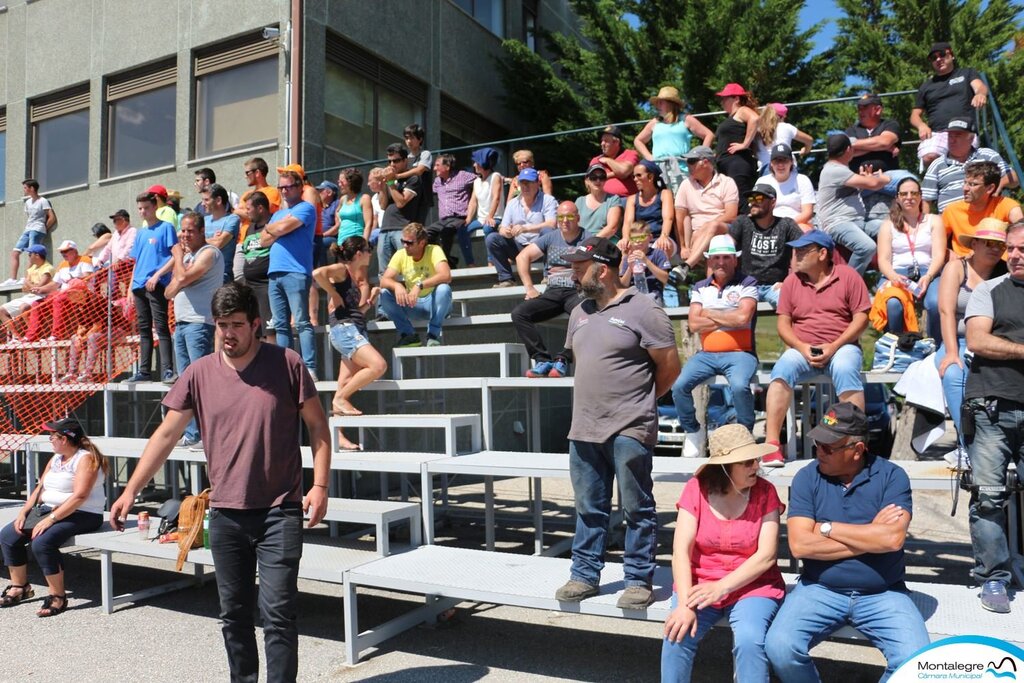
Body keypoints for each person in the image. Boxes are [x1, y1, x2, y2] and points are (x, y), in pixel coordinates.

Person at [110, 282, 330, 683]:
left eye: (236, 325)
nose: (227, 334)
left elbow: (318, 427)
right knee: (234, 616)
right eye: (221, 325)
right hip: (226, 513)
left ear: (256, 325)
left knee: (279, 613)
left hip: (280, 510)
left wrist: (320, 486)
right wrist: (130, 490)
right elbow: (164, 436)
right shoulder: (198, 373)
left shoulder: (287, 363)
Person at [554, 236, 680, 609]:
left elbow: (670, 366)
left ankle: (639, 578)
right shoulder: (578, 312)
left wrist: (641, 402)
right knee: (588, 506)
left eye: (580, 267)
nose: (574, 274)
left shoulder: (645, 308)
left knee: (636, 507)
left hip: (630, 426)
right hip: (584, 428)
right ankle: (584, 575)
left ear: (603, 270)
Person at [765, 401, 930, 680]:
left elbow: (892, 539)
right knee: (780, 647)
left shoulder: (892, 477)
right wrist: (870, 534)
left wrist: (826, 527)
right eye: (818, 443)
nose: (819, 451)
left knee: (915, 662)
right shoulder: (807, 477)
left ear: (857, 450)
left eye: (828, 447)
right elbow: (800, 546)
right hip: (819, 588)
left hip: (883, 593)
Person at [661, 424, 784, 683]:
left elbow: (767, 556)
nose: (756, 466)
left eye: (757, 459)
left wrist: (722, 588)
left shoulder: (765, 492)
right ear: (725, 466)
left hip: (754, 585)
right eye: (748, 461)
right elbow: (681, 551)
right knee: (677, 634)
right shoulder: (696, 489)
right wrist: (684, 604)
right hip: (700, 583)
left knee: (750, 642)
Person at [763, 230, 871, 466]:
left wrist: (835, 345)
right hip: (804, 348)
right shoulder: (792, 281)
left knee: (844, 366)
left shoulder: (849, 276)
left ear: (823, 253)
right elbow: (783, 323)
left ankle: (854, 444)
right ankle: (771, 444)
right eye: (796, 250)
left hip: (842, 345)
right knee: (782, 368)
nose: (797, 255)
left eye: (803, 250)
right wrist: (801, 346)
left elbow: (861, 318)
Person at [962, 220, 1024, 613]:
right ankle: (993, 578)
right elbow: (978, 340)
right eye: (1011, 249)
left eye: (1022, 250)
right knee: (987, 496)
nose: (1014, 255)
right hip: (992, 405)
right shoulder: (989, 290)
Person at [1, 418, 107, 617]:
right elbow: (41, 487)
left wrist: (52, 519)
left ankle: (58, 596)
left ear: (65, 439)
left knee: (42, 543)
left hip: (84, 513)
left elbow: (80, 496)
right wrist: (25, 511)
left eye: (53, 436)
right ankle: (20, 586)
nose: (49, 439)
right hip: (50, 510)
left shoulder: (85, 459)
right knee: (8, 536)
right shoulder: (56, 457)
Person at [670, 235, 758, 457]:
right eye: (716, 257)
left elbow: (743, 319)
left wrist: (708, 312)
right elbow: (693, 323)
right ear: (709, 260)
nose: (721, 262)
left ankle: (746, 432)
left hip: (740, 353)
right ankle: (693, 431)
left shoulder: (748, 282)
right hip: (706, 354)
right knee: (679, 386)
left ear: (735, 259)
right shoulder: (700, 286)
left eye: (726, 257)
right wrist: (727, 314)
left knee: (739, 387)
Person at [935, 219, 1008, 461]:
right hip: (957, 339)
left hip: (991, 343)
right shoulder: (957, 268)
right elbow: (945, 312)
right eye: (988, 242)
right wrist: (952, 352)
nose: (994, 248)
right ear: (974, 244)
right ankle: (969, 445)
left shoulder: (1007, 273)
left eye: (1000, 244)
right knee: (954, 374)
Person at [312, 236, 386, 436]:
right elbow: (317, 273)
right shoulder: (342, 269)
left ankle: (338, 435)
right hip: (345, 330)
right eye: (368, 250)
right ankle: (341, 398)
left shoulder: (353, 277)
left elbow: (356, 312)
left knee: (343, 382)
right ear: (359, 253)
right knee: (378, 366)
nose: (371, 254)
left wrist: (371, 301)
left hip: (352, 327)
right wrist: (332, 293)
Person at [165, 211, 224, 449]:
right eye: (183, 230)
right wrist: (180, 276)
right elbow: (168, 292)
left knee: (201, 382)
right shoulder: (189, 258)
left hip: (200, 324)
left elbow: (183, 277)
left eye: (190, 230)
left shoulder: (209, 253)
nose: (185, 235)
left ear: (202, 231)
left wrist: (178, 258)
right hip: (181, 324)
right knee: (186, 383)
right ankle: (192, 433)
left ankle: (207, 435)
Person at [512, 201, 587, 379]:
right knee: (519, 313)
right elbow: (523, 256)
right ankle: (542, 360)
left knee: (585, 315)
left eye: (569, 216)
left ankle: (564, 358)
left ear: (577, 217)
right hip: (553, 291)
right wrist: (529, 287)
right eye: (561, 217)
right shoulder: (550, 237)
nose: (565, 221)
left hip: (577, 291)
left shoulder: (588, 238)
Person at [260, 169, 317, 378]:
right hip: (274, 272)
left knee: (301, 322)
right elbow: (264, 240)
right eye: (280, 187)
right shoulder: (277, 214)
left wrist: (273, 228)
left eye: (288, 187)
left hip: (296, 271)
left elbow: (282, 228)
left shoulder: (306, 208)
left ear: (300, 188)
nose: (283, 191)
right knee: (281, 324)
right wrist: (276, 227)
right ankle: (284, 369)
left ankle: (309, 367)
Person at [875, 177, 946, 340]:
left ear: (920, 196)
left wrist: (928, 276)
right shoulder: (887, 225)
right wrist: (894, 277)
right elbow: (883, 260)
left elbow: (939, 255)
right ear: (897, 198)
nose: (909, 197)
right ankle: (896, 346)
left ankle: (936, 345)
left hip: (930, 272)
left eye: (914, 193)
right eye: (904, 194)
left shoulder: (934, 221)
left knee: (935, 303)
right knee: (893, 303)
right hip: (897, 273)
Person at [816, 133, 890, 275]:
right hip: (838, 223)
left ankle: (886, 276)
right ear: (848, 150)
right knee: (867, 247)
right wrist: (884, 178)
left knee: (891, 229)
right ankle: (847, 283)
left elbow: (862, 185)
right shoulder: (834, 170)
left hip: (857, 222)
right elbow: (874, 184)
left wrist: (864, 180)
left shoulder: (840, 170)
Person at [125, 191, 177, 383]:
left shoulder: (166, 228)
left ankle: (168, 371)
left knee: (161, 326)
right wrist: (131, 287)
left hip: (156, 284)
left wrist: (157, 275)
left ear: (155, 207)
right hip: (139, 285)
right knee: (144, 329)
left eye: (146, 208)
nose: (143, 212)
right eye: (139, 209)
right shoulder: (140, 233)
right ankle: (144, 371)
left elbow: (174, 257)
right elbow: (136, 262)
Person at [912, 41, 988, 168]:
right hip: (937, 132)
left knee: (966, 165)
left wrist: (980, 94)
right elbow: (915, 114)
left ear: (951, 55)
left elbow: (980, 87)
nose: (938, 59)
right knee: (929, 157)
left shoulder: (967, 73)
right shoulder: (926, 86)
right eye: (933, 58)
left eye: (942, 54)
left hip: (964, 130)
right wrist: (921, 125)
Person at [728, 183, 803, 309]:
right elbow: (727, 249)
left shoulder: (786, 224)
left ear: (773, 202)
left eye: (759, 198)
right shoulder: (742, 222)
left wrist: (791, 281)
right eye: (751, 198)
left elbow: (804, 249)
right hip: (746, 285)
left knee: (794, 306)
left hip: (775, 287)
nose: (753, 202)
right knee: (735, 309)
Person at [378, 223, 453, 348]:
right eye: (403, 241)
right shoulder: (400, 254)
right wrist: (397, 286)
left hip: (434, 303)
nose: (405, 245)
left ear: (422, 243)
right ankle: (409, 336)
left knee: (444, 289)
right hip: (413, 304)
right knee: (384, 293)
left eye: (410, 243)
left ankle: (433, 336)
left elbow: (446, 275)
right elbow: (384, 280)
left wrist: (419, 285)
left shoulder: (434, 250)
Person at [671, 146, 739, 283]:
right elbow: (680, 217)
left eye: (691, 161)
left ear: (706, 162)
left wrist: (707, 226)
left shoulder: (727, 182)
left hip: (725, 230)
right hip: (699, 236)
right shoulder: (686, 185)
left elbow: (731, 215)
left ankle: (687, 265)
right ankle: (711, 292)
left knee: (713, 227)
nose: (687, 165)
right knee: (713, 251)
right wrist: (684, 247)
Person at [633, 85, 714, 194]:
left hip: (681, 170)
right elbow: (638, 140)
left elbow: (708, 135)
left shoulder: (685, 119)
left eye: (661, 102)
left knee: (682, 204)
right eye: (658, 102)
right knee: (662, 203)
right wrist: (649, 157)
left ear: (671, 104)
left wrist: (699, 157)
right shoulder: (655, 122)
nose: (658, 105)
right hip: (658, 171)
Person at [922, 118, 1014, 213]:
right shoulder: (938, 164)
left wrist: (999, 185)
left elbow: (1014, 178)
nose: (952, 140)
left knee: (1014, 209)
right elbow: (926, 200)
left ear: (971, 138)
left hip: (987, 216)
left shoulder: (987, 155)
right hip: (951, 222)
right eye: (950, 136)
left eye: (957, 136)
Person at [486, 167, 557, 288]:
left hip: (540, 247)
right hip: (519, 247)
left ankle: (548, 275)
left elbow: (552, 224)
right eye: (522, 183)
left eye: (529, 183)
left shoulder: (548, 200)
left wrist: (525, 228)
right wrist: (507, 232)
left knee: (548, 232)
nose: (525, 186)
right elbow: (503, 228)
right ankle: (506, 279)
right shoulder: (512, 203)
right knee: (492, 238)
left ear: (537, 183)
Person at [941, 161, 1023, 259]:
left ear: (990, 188)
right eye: (965, 182)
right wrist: (953, 256)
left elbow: (1021, 229)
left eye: (973, 184)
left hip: (1000, 264)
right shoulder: (952, 210)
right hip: (964, 265)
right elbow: (935, 243)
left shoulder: (1005, 205)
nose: (965, 188)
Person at [378, 143, 425, 275]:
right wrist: (383, 184)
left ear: (405, 160)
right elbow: (382, 205)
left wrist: (391, 183)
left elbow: (401, 202)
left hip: (402, 229)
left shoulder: (413, 178)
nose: (392, 164)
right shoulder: (390, 180)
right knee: (384, 272)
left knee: (407, 268)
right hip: (385, 229)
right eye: (389, 161)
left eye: (396, 160)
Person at [713, 83, 760, 210]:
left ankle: (752, 227)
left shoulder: (742, 110)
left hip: (737, 164)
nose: (722, 102)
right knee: (733, 201)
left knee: (743, 200)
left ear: (736, 99)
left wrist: (745, 144)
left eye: (724, 98)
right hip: (727, 165)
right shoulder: (732, 117)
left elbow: (755, 119)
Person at [460, 147, 505, 267]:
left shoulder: (496, 176)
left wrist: (490, 216)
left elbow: (496, 198)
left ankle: (491, 261)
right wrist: (469, 218)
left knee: (487, 228)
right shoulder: (476, 181)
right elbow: (473, 201)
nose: (474, 165)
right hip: (480, 219)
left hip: (495, 217)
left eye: (476, 162)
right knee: (462, 229)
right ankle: (470, 263)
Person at [239, 192, 275, 340]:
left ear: (260, 208)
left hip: (266, 286)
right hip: (250, 287)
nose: (246, 212)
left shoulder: (273, 224)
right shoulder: (250, 227)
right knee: (255, 333)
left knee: (271, 333)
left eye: (249, 208)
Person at [429, 153, 477, 264]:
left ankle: (446, 263)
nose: (434, 168)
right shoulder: (437, 182)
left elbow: (482, 179)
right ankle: (448, 260)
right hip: (443, 220)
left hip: (459, 218)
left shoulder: (462, 176)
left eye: (437, 165)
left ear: (447, 166)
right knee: (426, 234)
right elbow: (428, 192)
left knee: (446, 232)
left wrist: (505, 180)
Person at [6, 179, 55, 285]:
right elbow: (30, 217)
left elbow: (51, 217)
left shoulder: (43, 201)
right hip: (28, 229)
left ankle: (26, 278)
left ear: (32, 188)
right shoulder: (28, 202)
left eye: (25, 187)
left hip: (37, 229)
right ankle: (12, 279)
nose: (24, 190)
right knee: (15, 252)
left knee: (32, 254)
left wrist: (43, 228)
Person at [623, 160, 676, 257]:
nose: (635, 179)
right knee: (624, 250)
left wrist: (664, 236)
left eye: (638, 175)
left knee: (661, 249)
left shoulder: (665, 194)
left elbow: (668, 218)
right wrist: (626, 238)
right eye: (633, 176)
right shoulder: (632, 199)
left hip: (660, 237)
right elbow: (628, 222)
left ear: (651, 177)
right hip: (639, 238)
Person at [760, 143, 815, 230]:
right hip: (769, 226)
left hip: (797, 224)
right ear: (771, 163)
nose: (780, 164)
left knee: (806, 230)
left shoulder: (803, 180)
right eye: (777, 160)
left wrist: (786, 226)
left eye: (784, 160)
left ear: (791, 162)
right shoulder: (762, 182)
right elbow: (757, 209)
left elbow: (808, 212)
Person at [0, 244, 52, 336]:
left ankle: (33, 335)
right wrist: (30, 285)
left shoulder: (48, 268)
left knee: (23, 307)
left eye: (29, 254)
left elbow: (38, 288)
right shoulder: (32, 268)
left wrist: (28, 283)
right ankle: (16, 337)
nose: (28, 256)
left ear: (37, 255)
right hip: (29, 296)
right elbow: (25, 287)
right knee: (1, 310)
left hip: (42, 297)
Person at [617, 222, 670, 305]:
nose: (638, 241)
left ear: (650, 237)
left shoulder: (657, 253)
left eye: (641, 237)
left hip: (653, 295)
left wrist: (646, 261)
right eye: (634, 238)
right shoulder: (628, 257)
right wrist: (629, 268)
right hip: (632, 296)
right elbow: (622, 286)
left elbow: (665, 279)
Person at [200, 183, 241, 283]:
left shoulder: (232, 219)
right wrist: (211, 240)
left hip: (222, 277)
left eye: (206, 200)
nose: (202, 204)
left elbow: (219, 243)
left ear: (218, 200)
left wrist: (202, 241)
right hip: (201, 275)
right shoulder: (203, 220)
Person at [754, 102, 813, 172]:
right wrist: (806, 150)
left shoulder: (757, 130)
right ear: (783, 116)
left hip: (766, 168)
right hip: (787, 167)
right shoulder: (786, 127)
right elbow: (809, 140)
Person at [588, 125, 640, 198]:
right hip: (601, 201)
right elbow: (590, 181)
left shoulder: (630, 154)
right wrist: (615, 173)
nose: (602, 144)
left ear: (616, 142)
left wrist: (608, 160)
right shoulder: (596, 160)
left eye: (606, 141)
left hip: (625, 200)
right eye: (602, 141)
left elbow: (623, 172)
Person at [396, 123, 433, 223]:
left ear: (420, 139)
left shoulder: (425, 154)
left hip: (423, 199)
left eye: (412, 138)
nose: (408, 141)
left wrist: (398, 175)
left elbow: (419, 170)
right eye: (406, 138)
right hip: (408, 198)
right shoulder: (405, 159)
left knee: (418, 229)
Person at [575, 164, 623, 238]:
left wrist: (592, 241)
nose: (598, 180)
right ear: (587, 180)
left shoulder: (613, 199)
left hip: (603, 241)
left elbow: (612, 228)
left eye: (602, 177)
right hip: (581, 241)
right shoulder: (579, 201)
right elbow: (574, 226)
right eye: (594, 177)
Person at [335, 168, 372, 246]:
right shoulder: (343, 199)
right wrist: (338, 220)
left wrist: (364, 245)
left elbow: (368, 224)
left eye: (342, 182)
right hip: (341, 242)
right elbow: (337, 211)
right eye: (339, 182)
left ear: (351, 182)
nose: (339, 184)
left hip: (356, 243)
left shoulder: (364, 199)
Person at [317, 180, 340, 256]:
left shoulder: (337, 204)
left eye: (321, 191)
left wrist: (323, 235)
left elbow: (338, 226)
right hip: (318, 236)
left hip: (331, 237)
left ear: (329, 193)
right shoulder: (318, 206)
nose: (318, 193)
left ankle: (323, 267)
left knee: (320, 243)